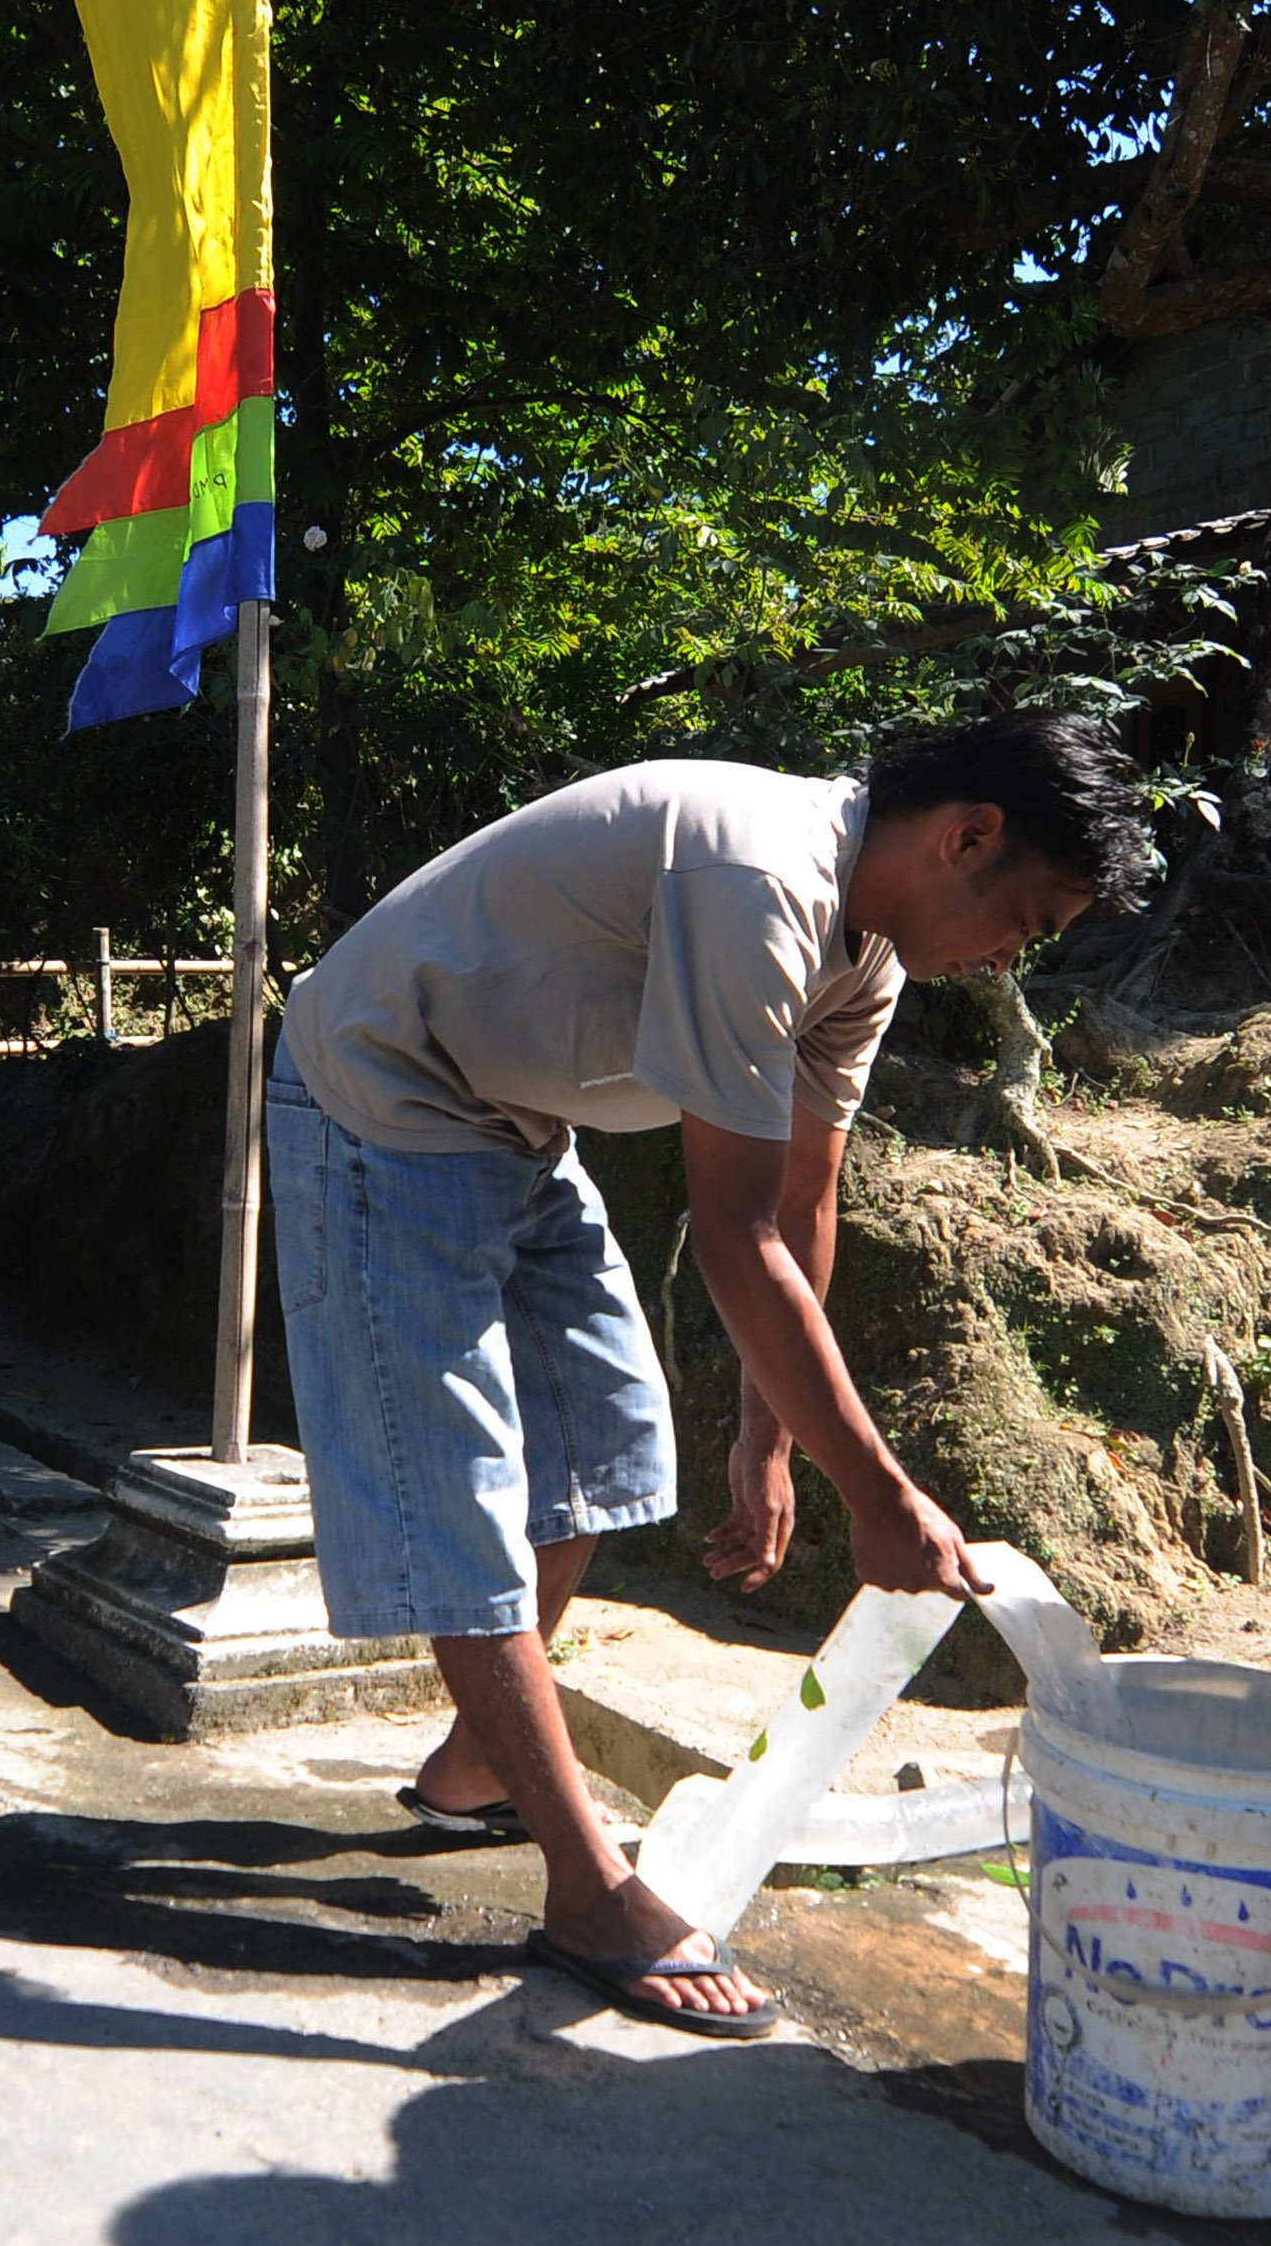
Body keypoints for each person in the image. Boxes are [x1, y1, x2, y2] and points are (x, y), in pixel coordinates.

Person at [267, 711, 1153, 2036]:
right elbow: (733, 1233)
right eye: (1025, 920)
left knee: (605, 1447)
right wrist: (882, 1493)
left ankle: (475, 1765)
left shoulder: (866, 957)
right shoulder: (763, 879)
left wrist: (773, 1433)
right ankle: (586, 1889)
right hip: (383, 1093)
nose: (1011, 956)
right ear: (965, 835)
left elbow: (801, 1203)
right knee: (459, 1496)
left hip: (512, 1122)